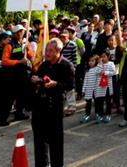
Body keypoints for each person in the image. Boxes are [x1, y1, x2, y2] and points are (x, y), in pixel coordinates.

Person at [30, 38, 75, 167]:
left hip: (54, 106)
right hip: (39, 105)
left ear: (58, 51)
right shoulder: (44, 64)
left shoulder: (66, 65)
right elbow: (39, 79)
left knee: (55, 140)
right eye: (46, 50)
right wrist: (35, 79)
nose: (47, 53)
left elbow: (70, 85)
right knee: (39, 140)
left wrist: (56, 84)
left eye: (50, 51)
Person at [0, 25, 33, 124]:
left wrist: (29, 50)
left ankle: (19, 114)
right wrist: (18, 61)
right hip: (11, 75)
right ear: (14, 34)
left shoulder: (26, 43)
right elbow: (4, 61)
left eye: (21, 32)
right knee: (9, 98)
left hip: (23, 74)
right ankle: (2, 119)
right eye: (18, 32)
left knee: (21, 96)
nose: (20, 34)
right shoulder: (9, 45)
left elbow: (31, 56)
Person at [80, 55, 100, 123]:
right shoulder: (87, 71)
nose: (90, 62)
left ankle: (98, 114)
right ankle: (87, 114)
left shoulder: (97, 69)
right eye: (89, 61)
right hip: (88, 90)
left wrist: (98, 60)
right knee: (88, 103)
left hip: (96, 90)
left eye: (92, 61)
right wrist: (83, 90)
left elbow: (101, 68)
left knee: (97, 102)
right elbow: (85, 81)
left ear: (96, 61)